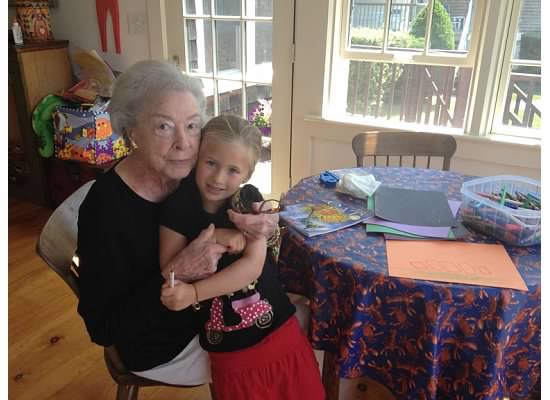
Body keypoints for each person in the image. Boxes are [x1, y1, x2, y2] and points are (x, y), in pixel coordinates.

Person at [76, 60, 279, 386]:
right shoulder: (106, 209)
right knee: (293, 333)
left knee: (297, 306)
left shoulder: (193, 174)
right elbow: (104, 328)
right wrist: (175, 273)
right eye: (163, 126)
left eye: (192, 125)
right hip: (164, 343)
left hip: (214, 308)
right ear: (132, 131)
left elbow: (239, 203)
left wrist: (263, 220)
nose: (184, 143)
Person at [158, 115, 325, 400]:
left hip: (279, 331)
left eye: (233, 170)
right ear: (197, 157)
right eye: (211, 163)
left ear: (247, 175)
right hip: (230, 350)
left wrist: (195, 293)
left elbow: (252, 267)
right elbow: (170, 267)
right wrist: (217, 235)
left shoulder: (248, 200)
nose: (218, 178)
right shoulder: (178, 206)